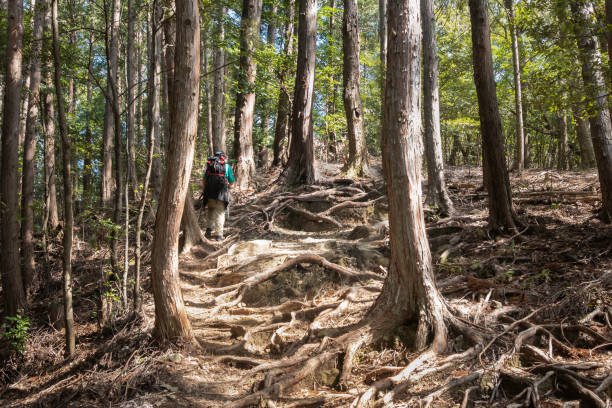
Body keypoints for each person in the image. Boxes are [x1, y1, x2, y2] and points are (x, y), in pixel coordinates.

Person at [202, 151, 235, 241]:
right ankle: (219, 235)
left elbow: (204, 179)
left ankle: (208, 230)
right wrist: (228, 187)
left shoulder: (209, 165)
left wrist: (205, 190)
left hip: (209, 193)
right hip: (222, 194)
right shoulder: (226, 166)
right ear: (223, 157)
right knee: (220, 213)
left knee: (211, 210)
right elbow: (232, 181)